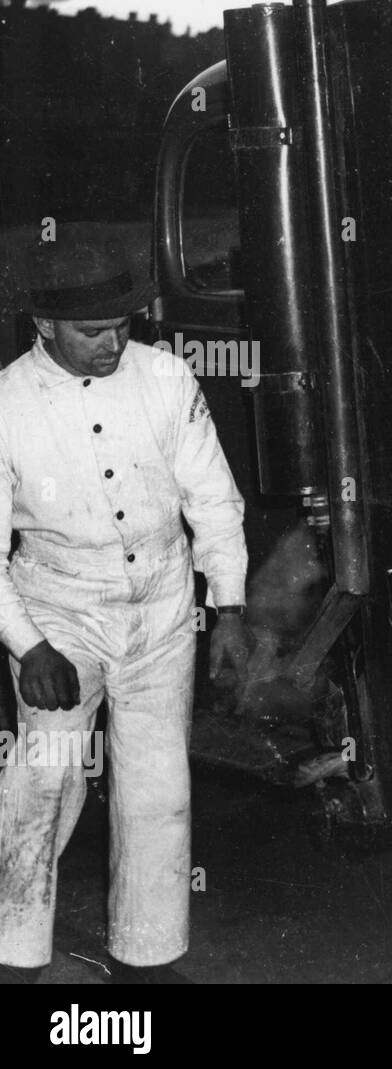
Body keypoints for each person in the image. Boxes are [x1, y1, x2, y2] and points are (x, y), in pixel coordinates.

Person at [0, 224, 251, 984]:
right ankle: (13, 955)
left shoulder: (168, 380)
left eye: (122, 326)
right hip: (57, 610)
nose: (112, 343)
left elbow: (213, 499)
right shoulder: (8, 403)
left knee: (156, 787)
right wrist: (28, 645)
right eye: (91, 331)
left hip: (163, 609)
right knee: (43, 779)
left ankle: (148, 955)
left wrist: (228, 607)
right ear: (44, 324)